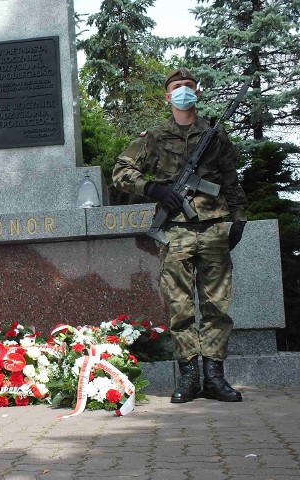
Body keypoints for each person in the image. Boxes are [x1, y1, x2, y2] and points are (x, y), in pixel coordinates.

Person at [112, 67, 247, 404]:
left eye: (189, 86)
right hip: (175, 232)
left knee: (217, 306)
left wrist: (240, 218)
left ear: (197, 93)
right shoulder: (154, 136)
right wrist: (154, 188)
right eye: (177, 86)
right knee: (181, 307)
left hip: (214, 228)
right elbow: (121, 172)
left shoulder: (214, 135)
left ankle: (214, 376)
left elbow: (231, 180)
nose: (183, 90)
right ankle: (188, 376)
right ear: (167, 96)